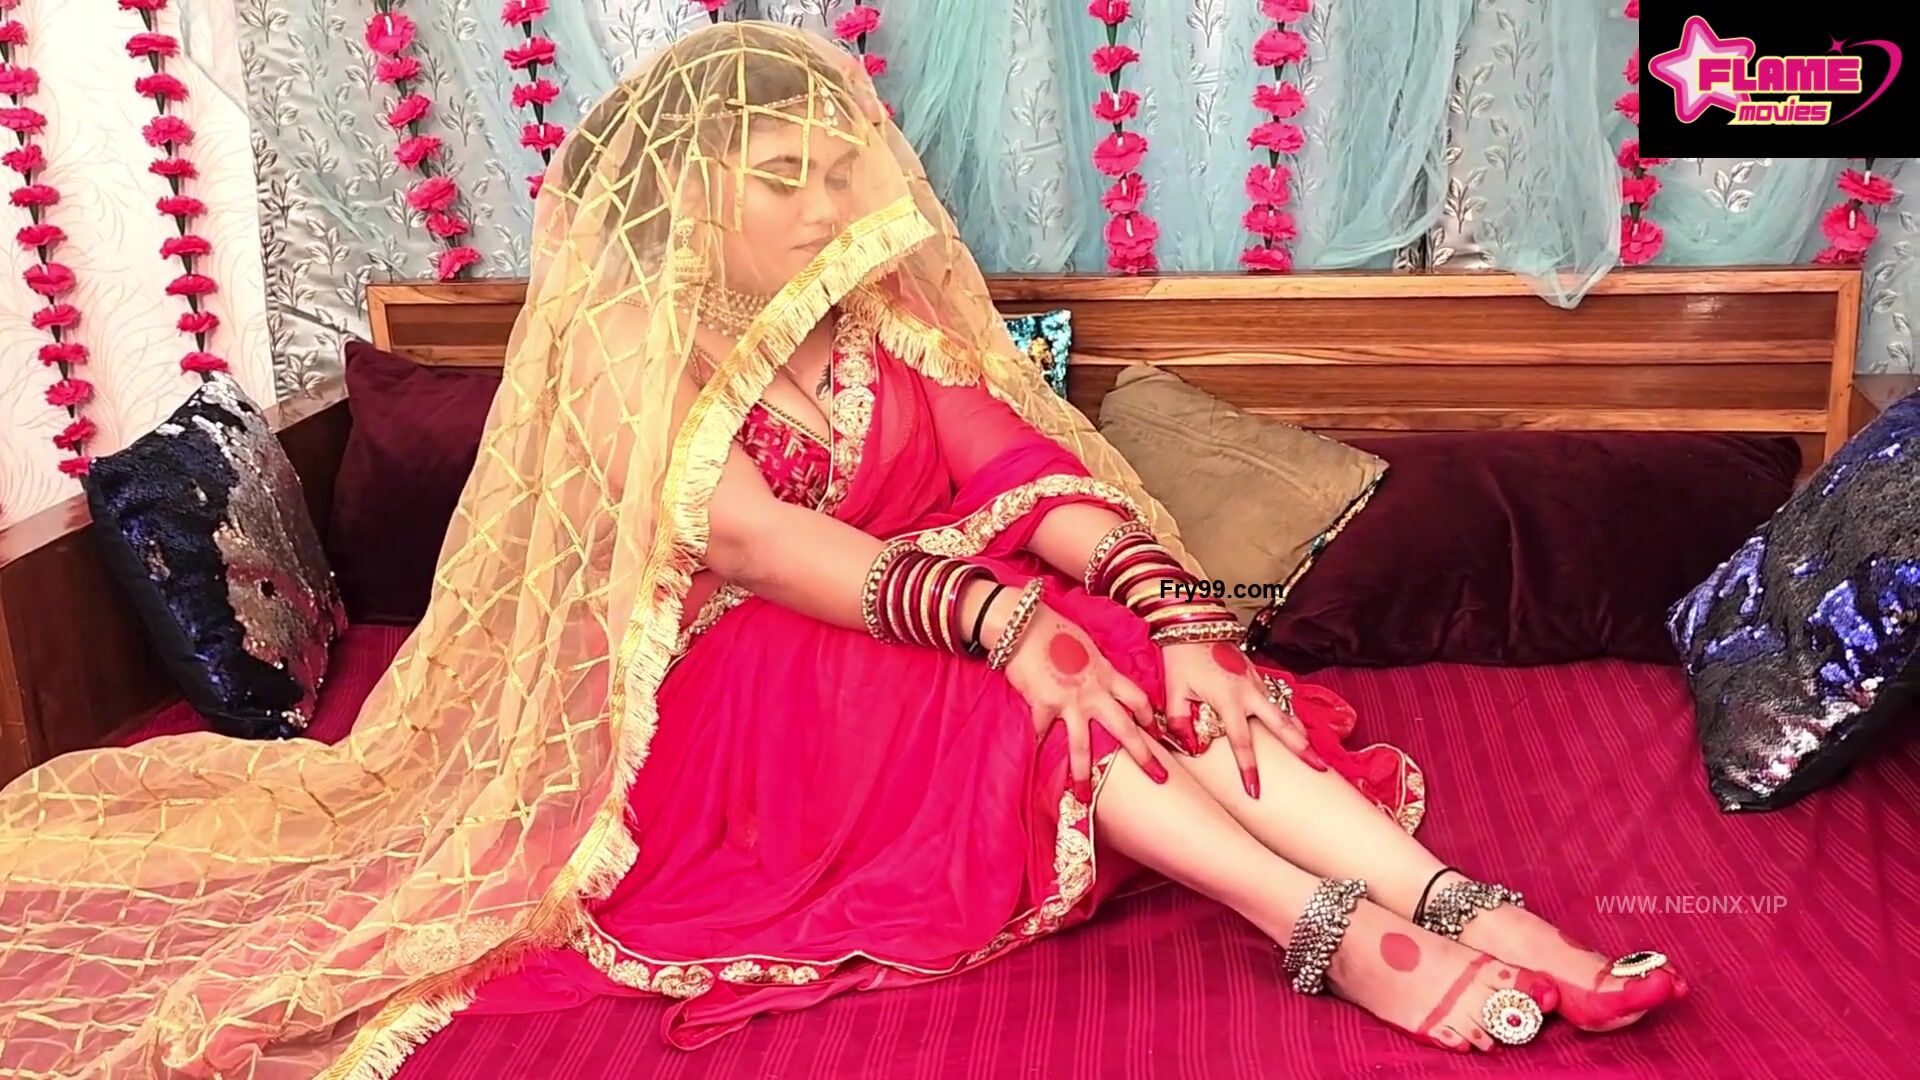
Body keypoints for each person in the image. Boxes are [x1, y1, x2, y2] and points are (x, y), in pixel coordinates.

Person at [0, 22, 1682, 1078]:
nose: (830, 208)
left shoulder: (873, 321)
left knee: (1137, 665)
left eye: (838, 174)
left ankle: (1476, 907)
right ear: (693, 194)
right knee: (1030, 683)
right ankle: (1330, 931)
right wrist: (1009, 624)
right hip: (733, 673)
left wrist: (1170, 609)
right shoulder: (628, 339)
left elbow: (1021, 467)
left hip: (928, 622)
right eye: (786, 180)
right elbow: (752, 538)